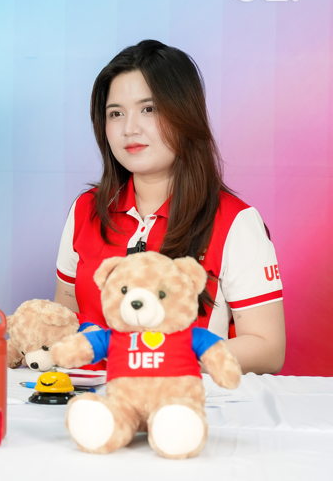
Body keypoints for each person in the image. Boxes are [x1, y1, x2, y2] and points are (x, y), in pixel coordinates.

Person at [54, 39, 285, 374]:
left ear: (184, 113)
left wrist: (163, 360)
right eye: (116, 113)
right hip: (90, 398)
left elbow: (268, 348)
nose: (130, 128)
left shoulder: (234, 220)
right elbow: (66, 314)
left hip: (182, 396)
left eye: (149, 109)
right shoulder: (85, 209)